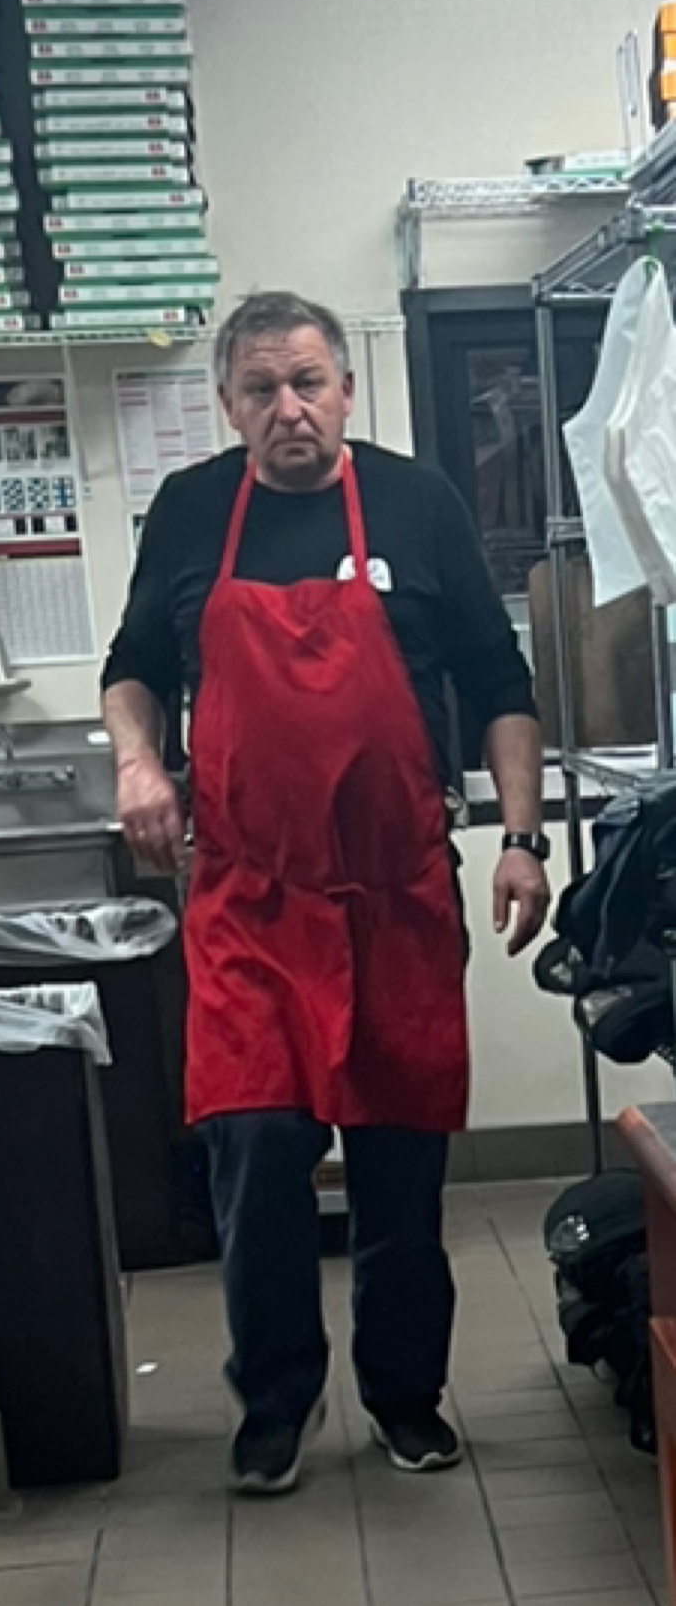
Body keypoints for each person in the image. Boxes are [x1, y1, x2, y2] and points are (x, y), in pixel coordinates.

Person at [102, 290, 551, 1495]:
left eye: (306, 382)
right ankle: (274, 1402)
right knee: (254, 1152)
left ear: (345, 390)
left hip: (395, 897)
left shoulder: (417, 502)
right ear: (227, 403)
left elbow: (498, 681)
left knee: (399, 1168)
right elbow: (134, 667)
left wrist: (519, 838)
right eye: (261, 389)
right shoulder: (191, 511)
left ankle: (403, 1396)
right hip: (250, 902)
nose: (287, 408)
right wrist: (138, 762)